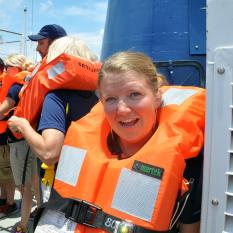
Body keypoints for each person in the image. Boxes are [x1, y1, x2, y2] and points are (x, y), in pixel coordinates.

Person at [32, 51, 205, 233]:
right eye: (111, 99)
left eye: (134, 94)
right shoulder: (79, 145)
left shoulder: (189, 166)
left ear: (156, 97)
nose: (122, 109)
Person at [8, 36, 99, 203]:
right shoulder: (98, 96)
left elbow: (49, 153)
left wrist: (21, 124)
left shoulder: (56, 97)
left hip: (62, 184)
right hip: (90, 177)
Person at [0, 54, 40, 233]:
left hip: (19, 141)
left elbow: (1, 112)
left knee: (23, 187)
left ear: (15, 68)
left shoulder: (15, 87)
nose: (5, 70)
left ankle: (22, 225)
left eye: (8, 66)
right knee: (33, 178)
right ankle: (39, 209)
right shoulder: (29, 83)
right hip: (31, 137)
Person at [0, 57, 18, 218]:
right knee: (1, 173)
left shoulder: (11, 86)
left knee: (6, 173)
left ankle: (11, 204)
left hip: (4, 137)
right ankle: (3, 199)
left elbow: (7, 112)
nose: (6, 70)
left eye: (8, 67)